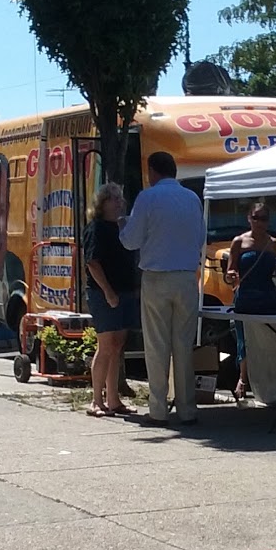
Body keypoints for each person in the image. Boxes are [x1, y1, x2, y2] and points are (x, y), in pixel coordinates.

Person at [118, 151, 205, 427]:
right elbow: (201, 237)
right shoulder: (192, 198)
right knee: (183, 345)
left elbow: (131, 241)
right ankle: (187, 408)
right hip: (187, 276)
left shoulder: (147, 197)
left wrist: (123, 226)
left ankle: (158, 409)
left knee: (157, 345)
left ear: (152, 171)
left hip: (156, 275)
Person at [224, 202, 276, 401]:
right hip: (245, 294)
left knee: (270, 336)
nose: (259, 223)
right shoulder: (239, 242)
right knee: (243, 337)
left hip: (267, 292)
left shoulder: (274, 244)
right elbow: (230, 274)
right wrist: (231, 276)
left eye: (263, 219)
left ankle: (271, 379)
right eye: (256, 218)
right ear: (249, 218)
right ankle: (242, 379)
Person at [82, 183, 140, 418]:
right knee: (105, 346)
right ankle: (96, 400)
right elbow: (92, 263)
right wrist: (108, 291)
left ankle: (113, 399)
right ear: (102, 203)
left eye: (120, 198)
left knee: (117, 346)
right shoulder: (96, 228)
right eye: (113, 198)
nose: (119, 202)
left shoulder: (123, 228)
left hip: (125, 291)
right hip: (103, 293)